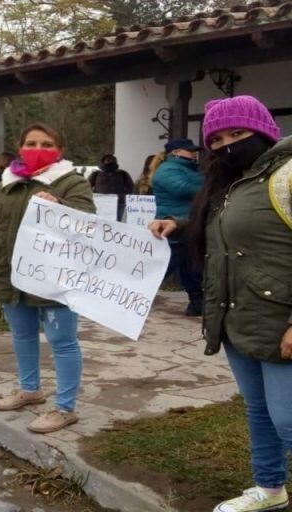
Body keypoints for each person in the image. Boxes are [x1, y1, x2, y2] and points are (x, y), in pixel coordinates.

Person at [149, 95, 292, 512]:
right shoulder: (229, 181)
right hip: (236, 318)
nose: (227, 144)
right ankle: (270, 489)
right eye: (218, 138)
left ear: (263, 131)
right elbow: (232, 227)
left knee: (288, 420)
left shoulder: (285, 174)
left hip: (279, 320)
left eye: (238, 133)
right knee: (259, 410)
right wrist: (179, 223)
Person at [0, 122, 95, 434]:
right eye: (32, 143)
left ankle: (65, 408)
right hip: (11, 277)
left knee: (62, 342)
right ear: (21, 147)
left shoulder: (71, 182)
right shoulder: (5, 184)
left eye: (46, 144)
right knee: (22, 336)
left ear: (59, 150)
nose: (38, 150)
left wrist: (61, 208)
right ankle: (30, 389)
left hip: (54, 280)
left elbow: (87, 222)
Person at [152, 138, 205, 316]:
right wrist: (209, 185)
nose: (194, 153)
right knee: (163, 265)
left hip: (186, 224)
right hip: (172, 225)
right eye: (190, 150)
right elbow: (183, 189)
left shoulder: (187, 169)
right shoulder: (167, 169)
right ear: (176, 152)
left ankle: (197, 302)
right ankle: (132, 295)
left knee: (191, 265)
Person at [87, 154, 134, 221]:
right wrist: (93, 197)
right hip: (100, 203)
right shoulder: (96, 174)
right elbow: (86, 187)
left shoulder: (123, 173)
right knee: (99, 222)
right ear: (103, 161)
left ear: (116, 161)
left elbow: (131, 187)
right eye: (108, 160)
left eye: (112, 160)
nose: (110, 161)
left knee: (117, 223)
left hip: (119, 203)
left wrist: (122, 196)